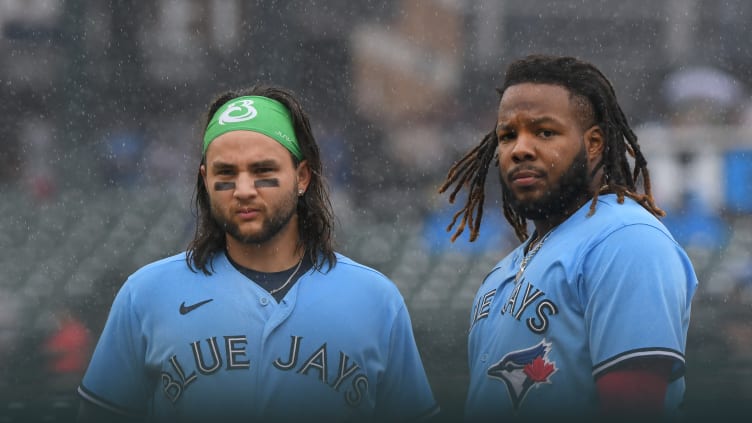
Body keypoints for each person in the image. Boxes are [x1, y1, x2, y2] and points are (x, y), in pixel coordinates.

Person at [77, 85, 438, 422]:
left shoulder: (375, 301)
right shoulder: (146, 295)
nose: (244, 189)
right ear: (205, 180)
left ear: (302, 176)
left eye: (263, 170)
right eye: (226, 173)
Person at [438, 55, 697, 420]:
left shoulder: (625, 239)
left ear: (593, 144)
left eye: (545, 132)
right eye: (507, 135)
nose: (520, 148)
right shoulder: (501, 272)